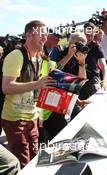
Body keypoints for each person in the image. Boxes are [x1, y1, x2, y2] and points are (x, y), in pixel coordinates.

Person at [1, 20, 56, 168]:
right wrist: (37, 84)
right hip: (15, 120)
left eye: (46, 34)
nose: (45, 38)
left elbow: (36, 91)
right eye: (42, 34)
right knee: (24, 163)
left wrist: (39, 115)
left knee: (35, 160)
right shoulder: (16, 56)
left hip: (32, 118)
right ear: (29, 35)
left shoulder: (38, 58)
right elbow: (6, 87)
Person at [84, 22, 107, 89]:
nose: (89, 37)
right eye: (87, 34)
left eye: (91, 35)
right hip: (79, 78)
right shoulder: (77, 44)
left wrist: (105, 81)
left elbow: (104, 65)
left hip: (93, 79)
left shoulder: (96, 47)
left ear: (94, 34)